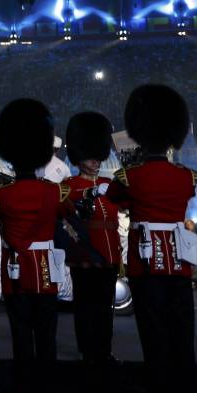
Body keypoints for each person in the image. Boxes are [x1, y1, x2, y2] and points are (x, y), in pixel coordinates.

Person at [101, 85, 197, 393]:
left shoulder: (130, 176)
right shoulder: (187, 177)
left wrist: (133, 164)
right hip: (179, 265)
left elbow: (116, 198)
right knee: (182, 335)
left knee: (153, 336)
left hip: (145, 266)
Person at [0, 98, 70, 393]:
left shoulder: (1, 194)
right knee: (47, 336)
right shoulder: (53, 191)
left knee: (21, 336)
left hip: (16, 271)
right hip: (45, 270)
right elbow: (66, 210)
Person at [62, 111, 120, 371]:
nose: (95, 162)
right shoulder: (69, 184)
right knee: (85, 306)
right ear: (78, 157)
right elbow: (71, 201)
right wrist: (92, 191)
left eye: (98, 156)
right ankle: (87, 350)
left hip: (109, 254)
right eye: (89, 156)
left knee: (105, 308)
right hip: (85, 253)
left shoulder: (111, 183)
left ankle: (104, 350)